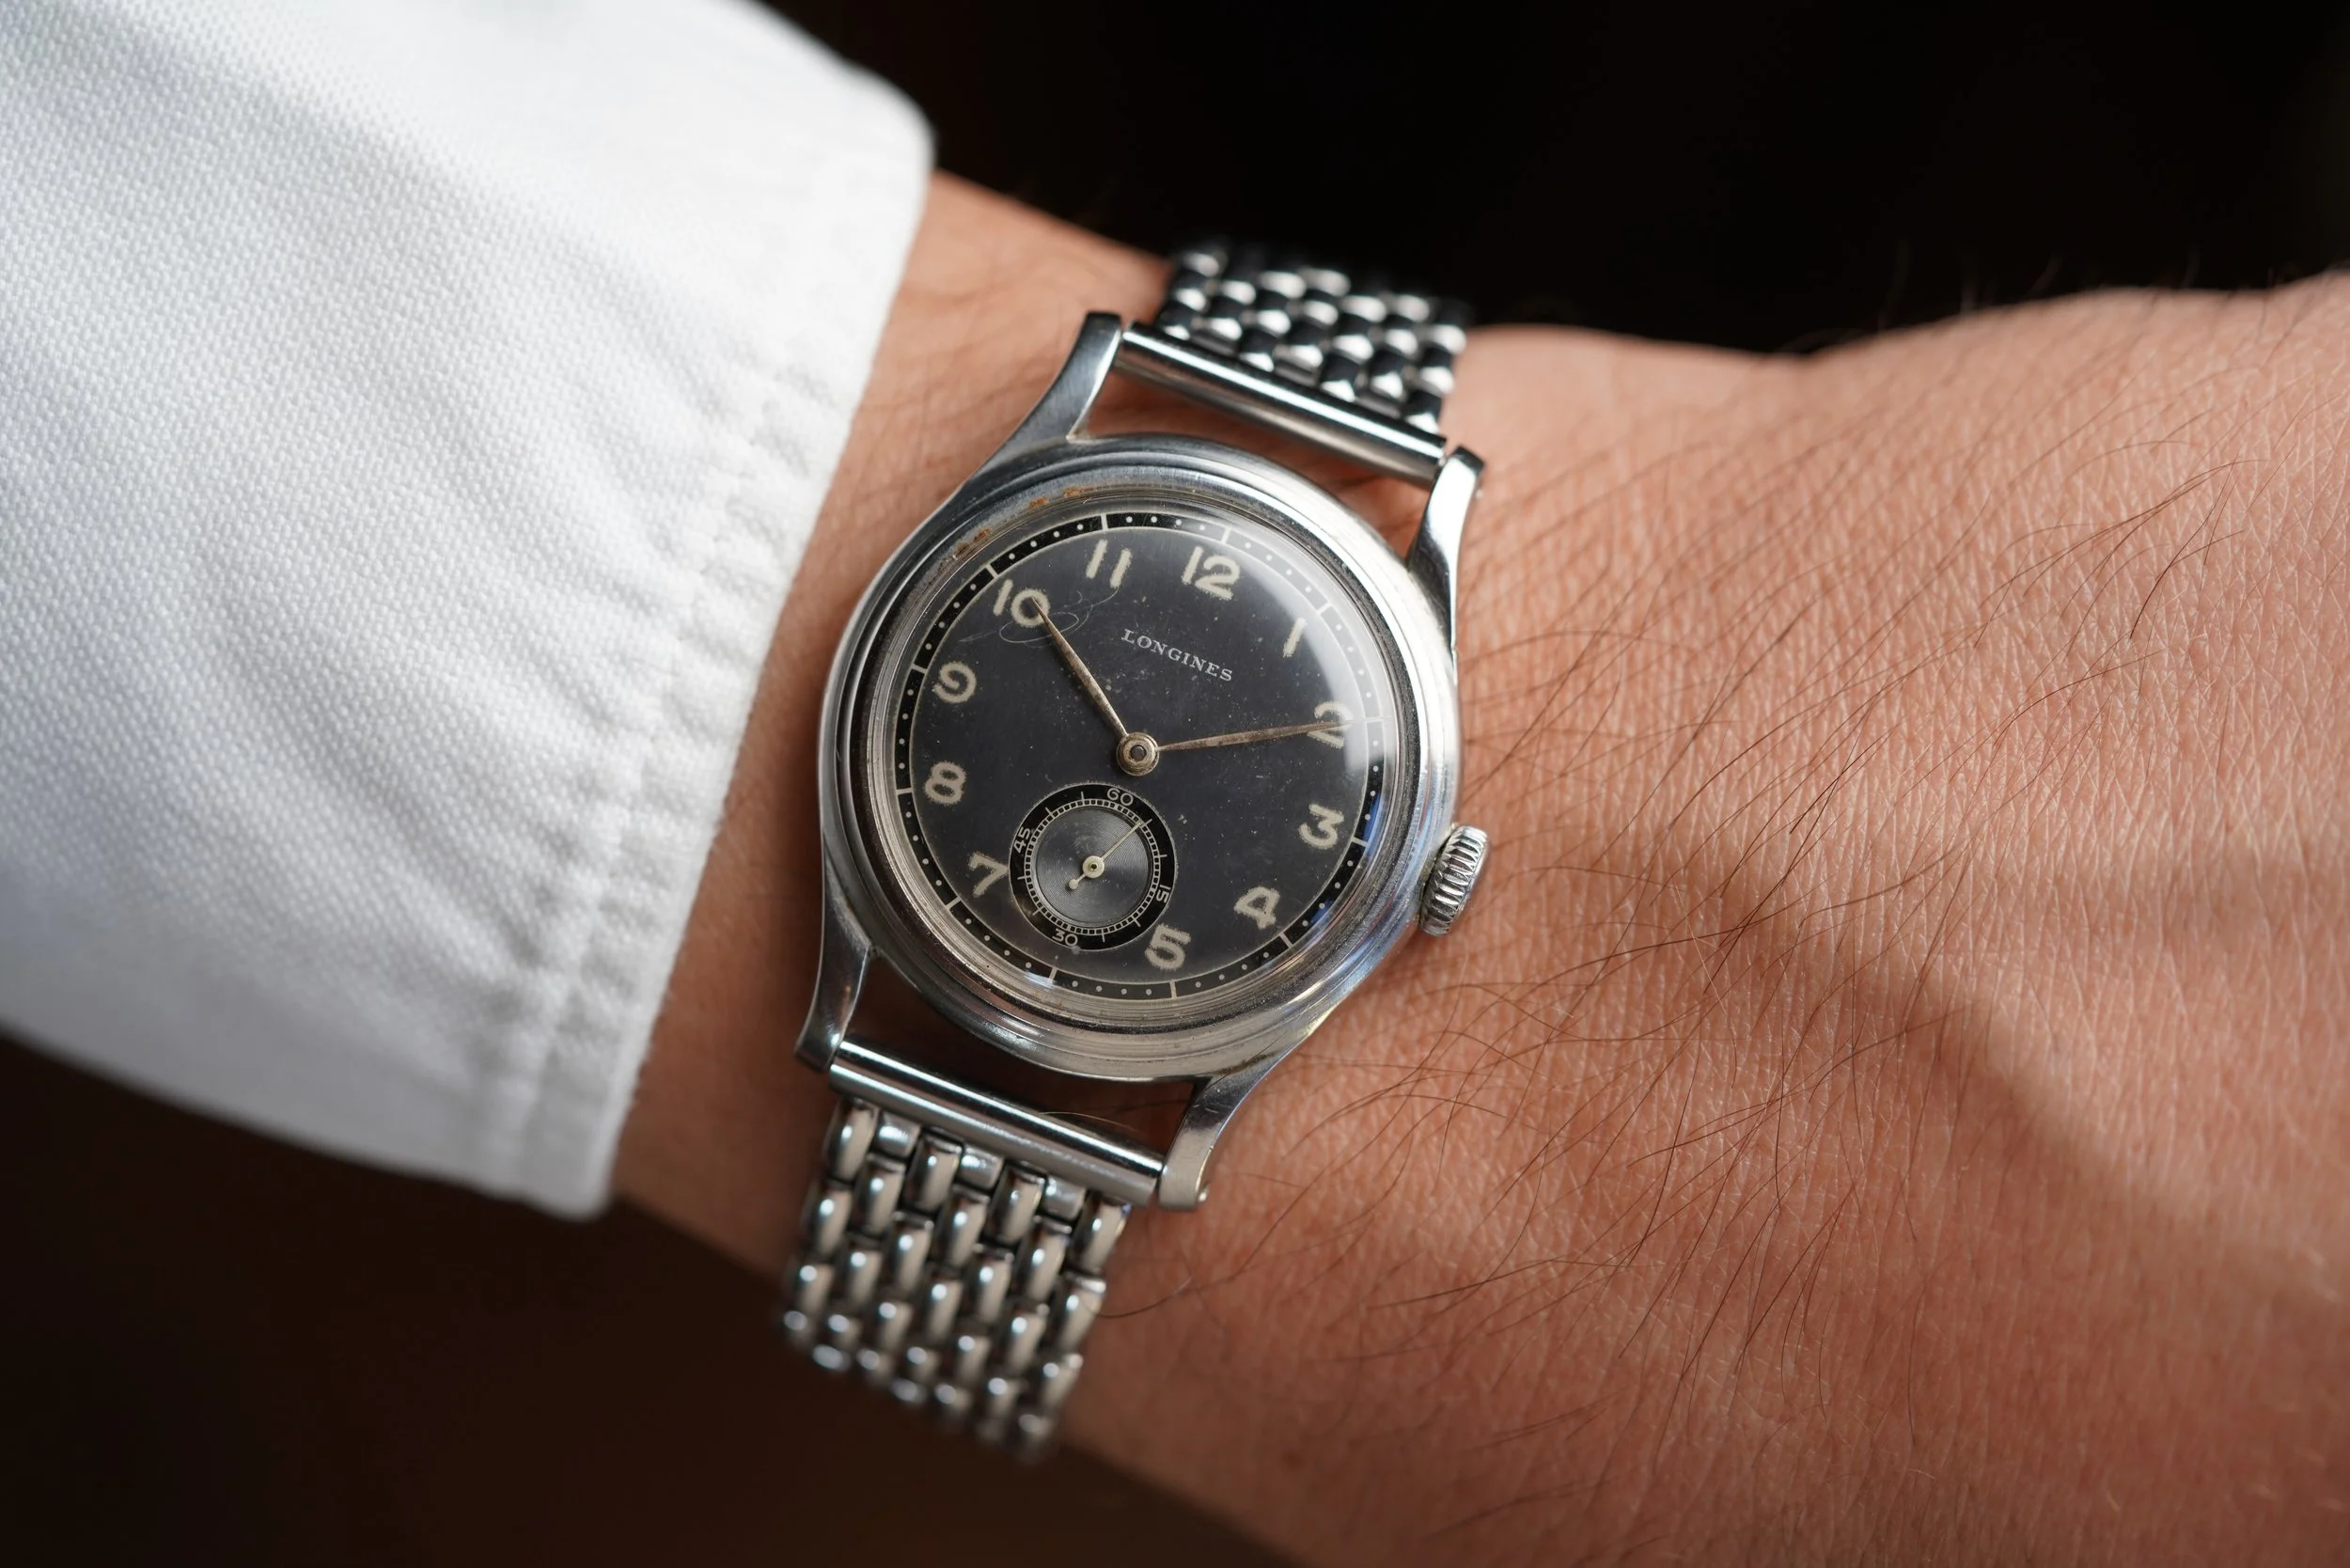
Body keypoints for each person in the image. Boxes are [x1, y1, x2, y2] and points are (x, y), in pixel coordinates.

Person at [3, 4, 2342, 1562]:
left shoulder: (1316, 866)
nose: (1137, 761)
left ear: (1427, 876)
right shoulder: (1079, 521)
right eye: (1138, 745)